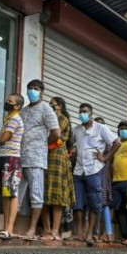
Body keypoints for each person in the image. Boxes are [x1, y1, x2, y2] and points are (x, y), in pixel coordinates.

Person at [70, 104, 119, 245]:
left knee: (94, 202)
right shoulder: (76, 130)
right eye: (80, 112)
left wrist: (105, 157)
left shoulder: (101, 128)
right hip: (78, 170)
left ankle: (90, 233)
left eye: (85, 112)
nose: (82, 114)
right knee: (77, 203)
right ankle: (79, 232)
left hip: (94, 170)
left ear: (91, 113)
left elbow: (117, 142)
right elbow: (69, 143)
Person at [19, 79, 61, 239]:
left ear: (41, 92)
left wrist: (42, 144)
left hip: (36, 158)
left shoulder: (46, 109)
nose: (32, 91)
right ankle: (13, 227)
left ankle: (31, 230)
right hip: (20, 157)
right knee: (17, 193)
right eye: (29, 88)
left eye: (35, 89)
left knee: (36, 194)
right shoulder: (23, 111)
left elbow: (56, 134)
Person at [41, 97, 75, 241]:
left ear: (59, 106)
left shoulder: (62, 119)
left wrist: (41, 141)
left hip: (58, 159)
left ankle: (55, 230)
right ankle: (47, 229)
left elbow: (56, 135)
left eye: (52, 104)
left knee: (57, 197)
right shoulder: (48, 119)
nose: (50, 106)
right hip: (45, 156)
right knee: (42, 195)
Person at [0, 93, 25, 239]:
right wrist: (1, 137)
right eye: (7, 100)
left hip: (11, 158)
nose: (7, 103)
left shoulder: (14, 119)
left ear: (17, 106)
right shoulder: (8, 119)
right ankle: (6, 228)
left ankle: (10, 228)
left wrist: (1, 137)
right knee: (6, 194)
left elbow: (3, 138)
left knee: (11, 193)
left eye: (10, 102)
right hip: (5, 157)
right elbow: (1, 137)